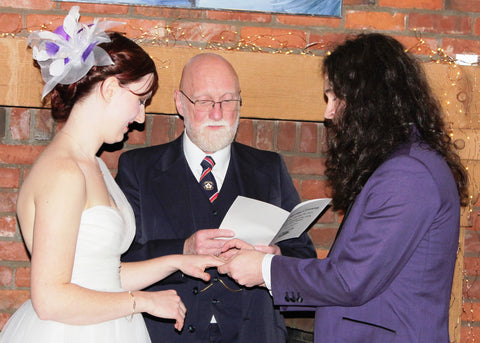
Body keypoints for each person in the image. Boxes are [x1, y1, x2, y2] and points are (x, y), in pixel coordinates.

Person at [218, 33, 469, 342]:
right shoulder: (401, 162)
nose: (328, 113)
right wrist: (274, 259)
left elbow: (351, 281)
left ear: (368, 100)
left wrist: (267, 270)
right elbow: (356, 270)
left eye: (334, 97)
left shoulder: (408, 173)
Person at [0, 7, 221, 343]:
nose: (141, 116)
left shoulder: (95, 164)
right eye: (139, 100)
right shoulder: (63, 172)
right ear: (109, 90)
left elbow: (103, 275)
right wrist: (143, 301)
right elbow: (49, 299)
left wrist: (178, 260)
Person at [115, 52, 317, 342]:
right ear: (180, 103)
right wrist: (182, 249)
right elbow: (117, 262)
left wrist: (274, 262)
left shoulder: (269, 168)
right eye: (205, 101)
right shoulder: (139, 169)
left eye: (228, 101)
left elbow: (304, 257)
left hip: (254, 333)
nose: (218, 113)